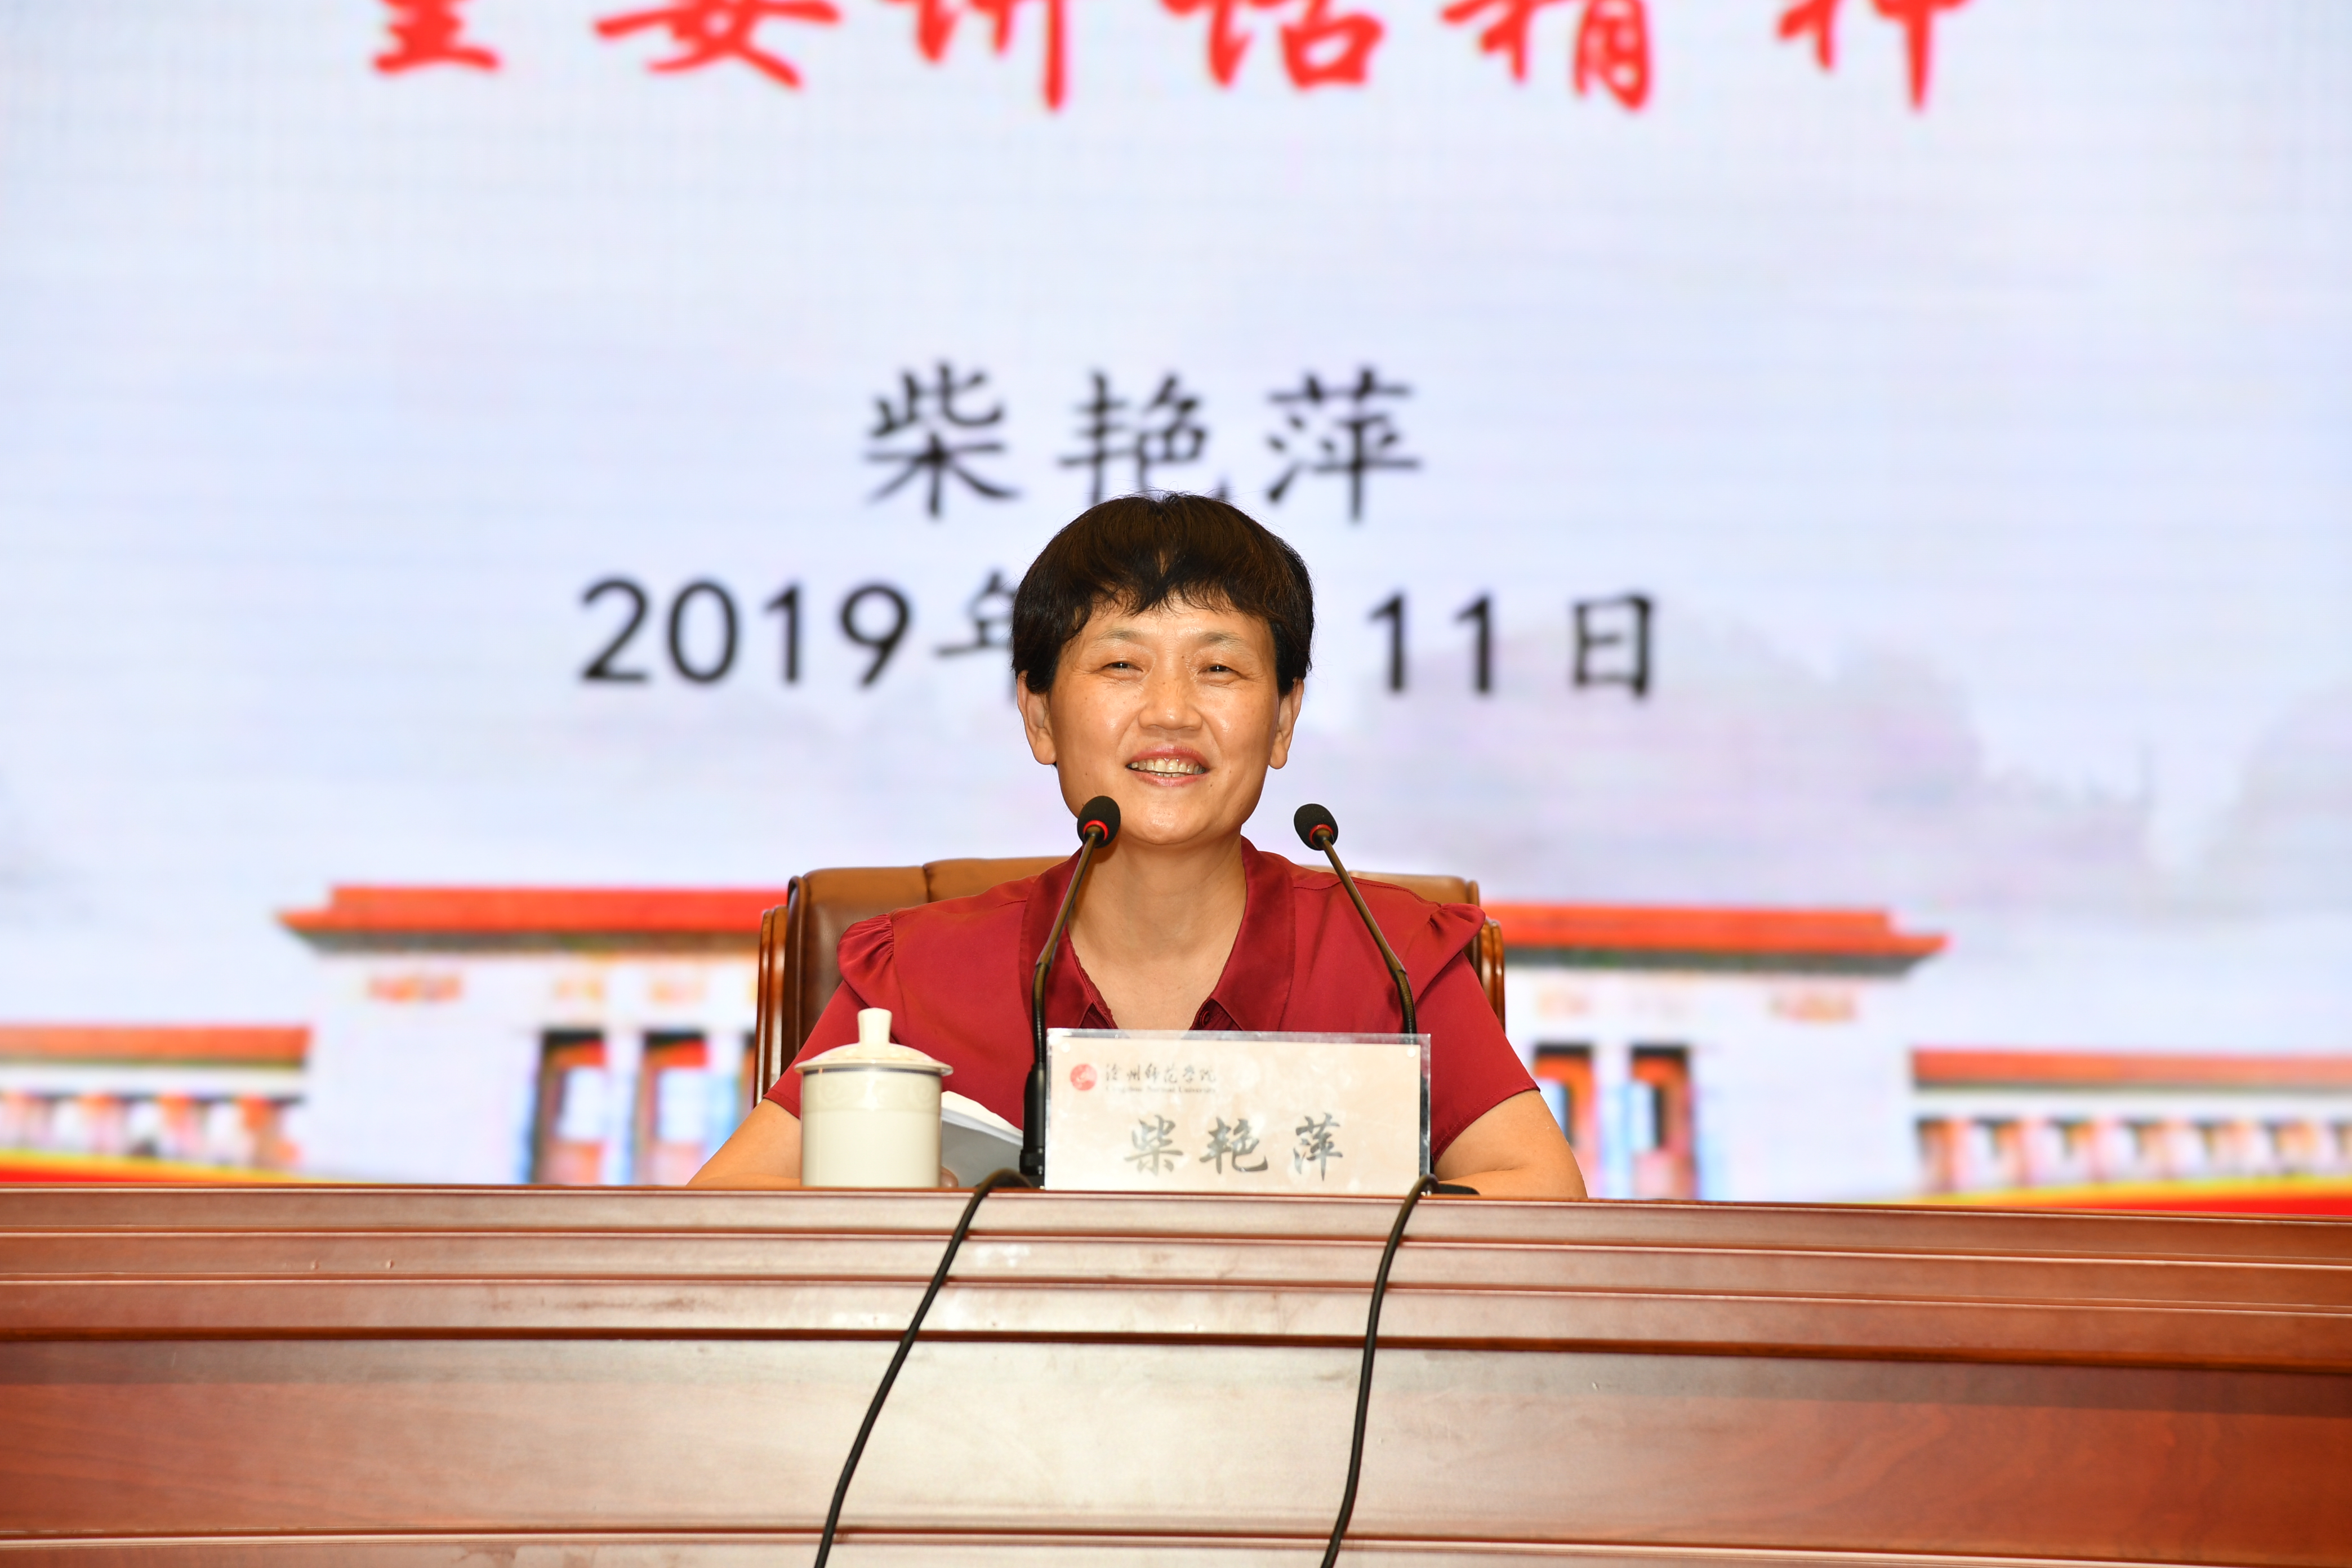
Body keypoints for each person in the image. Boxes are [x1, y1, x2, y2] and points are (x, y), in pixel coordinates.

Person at [693, 493, 1586, 1198]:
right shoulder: (922, 975)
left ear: (1284, 719)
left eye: (1219, 669)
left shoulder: (1388, 958)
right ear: (1039, 716)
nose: (1170, 713)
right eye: (1122, 665)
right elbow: (725, 1207)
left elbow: (1541, 1189)